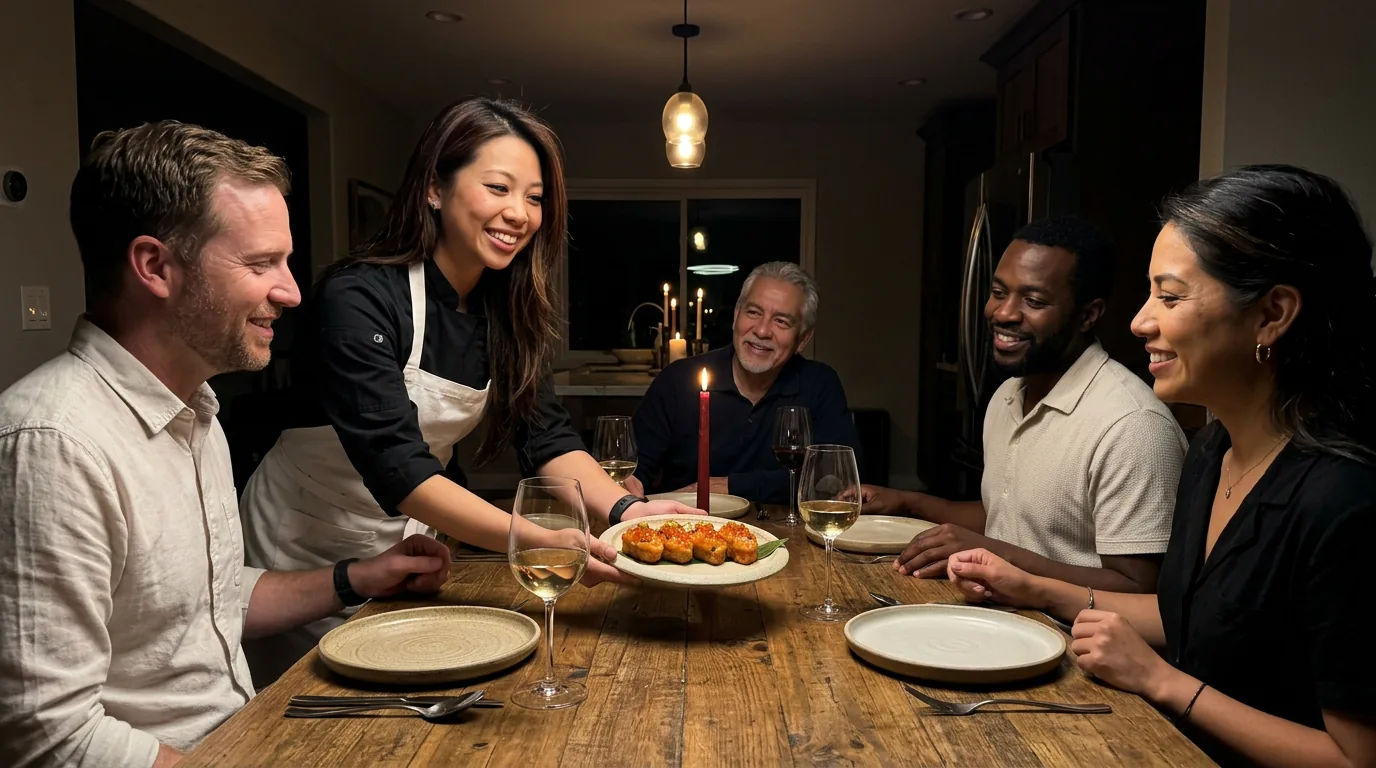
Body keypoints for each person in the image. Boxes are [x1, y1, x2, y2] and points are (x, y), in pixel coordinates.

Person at [0, 122, 452, 768]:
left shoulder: (197, 410)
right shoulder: (53, 445)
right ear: (155, 266)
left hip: (244, 736)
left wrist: (359, 578)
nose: (292, 291)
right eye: (261, 262)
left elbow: (205, 602)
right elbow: (46, 734)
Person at [237, 97, 695, 683]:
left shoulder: (503, 312)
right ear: (434, 188)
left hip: (405, 552)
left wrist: (629, 513)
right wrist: (541, 542)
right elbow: (400, 468)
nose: (520, 214)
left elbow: (548, 436)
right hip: (299, 550)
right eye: (499, 188)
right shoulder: (358, 296)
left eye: (534, 198)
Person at [945, 166, 1376, 767]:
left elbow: (1354, 757)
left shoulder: (1344, 500)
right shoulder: (1212, 449)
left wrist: (1162, 682)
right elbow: (1183, 618)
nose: (1139, 321)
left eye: (1169, 297)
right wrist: (1030, 587)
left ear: (1272, 314)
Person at [864, 217, 1187, 591]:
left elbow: (1141, 588)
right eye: (999, 292)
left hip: (1073, 643)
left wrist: (997, 555)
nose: (1004, 313)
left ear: (1088, 315)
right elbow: (1008, 514)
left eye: (1033, 301)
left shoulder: (1132, 426)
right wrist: (907, 501)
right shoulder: (1008, 396)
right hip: (1002, 620)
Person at [626, 261, 859, 504]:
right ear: (737, 315)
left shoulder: (820, 385)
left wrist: (730, 486)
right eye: (754, 312)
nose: (761, 330)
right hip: (681, 529)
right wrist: (626, 487)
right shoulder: (678, 380)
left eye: (781, 321)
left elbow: (836, 479)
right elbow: (632, 473)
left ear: (803, 338)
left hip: (786, 535)